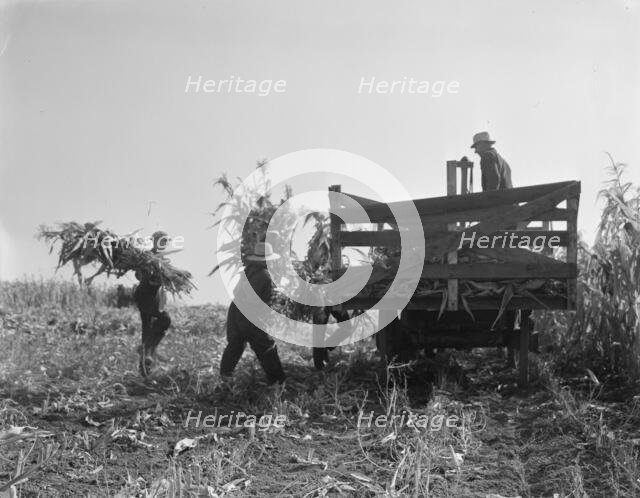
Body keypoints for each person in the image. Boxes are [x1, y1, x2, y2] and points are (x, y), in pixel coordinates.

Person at [220, 242, 286, 385]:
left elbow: (236, 292)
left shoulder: (248, 271)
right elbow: (260, 302)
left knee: (235, 345)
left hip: (236, 312)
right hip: (250, 315)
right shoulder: (265, 277)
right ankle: (278, 382)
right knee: (266, 348)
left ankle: (225, 377)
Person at [134, 230, 172, 377]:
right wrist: (148, 276)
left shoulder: (164, 260)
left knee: (147, 329)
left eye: (165, 242)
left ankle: (145, 370)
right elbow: (139, 275)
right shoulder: (147, 256)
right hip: (144, 295)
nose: (163, 244)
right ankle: (148, 349)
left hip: (152, 296)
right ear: (154, 241)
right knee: (165, 319)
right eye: (160, 241)